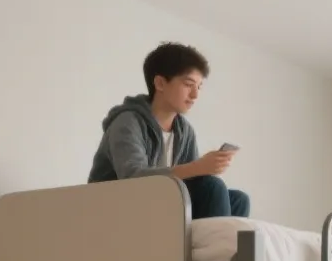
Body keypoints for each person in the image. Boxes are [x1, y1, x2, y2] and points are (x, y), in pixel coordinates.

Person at [87, 41, 249, 220]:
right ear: (160, 83)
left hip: (160, 204)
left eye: (199, 86)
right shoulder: (128, 122)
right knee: (213, 187)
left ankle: (217, 247)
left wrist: (204, 169)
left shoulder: (184, 131)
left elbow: (192, 184)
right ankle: (209, 247)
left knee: (239, 200)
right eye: (189, 84)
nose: (195, 95)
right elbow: (133, 178)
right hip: (116, 207)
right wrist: (198, 167)